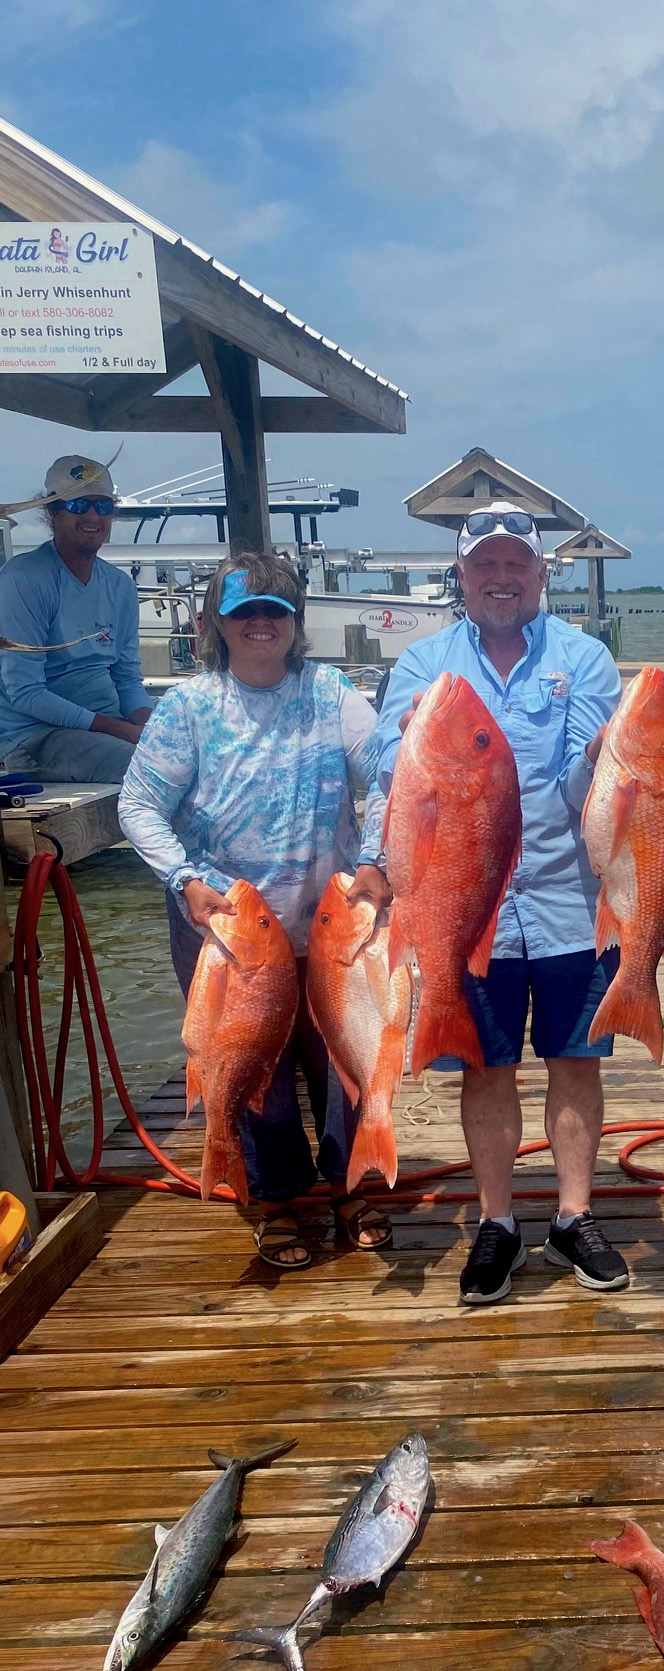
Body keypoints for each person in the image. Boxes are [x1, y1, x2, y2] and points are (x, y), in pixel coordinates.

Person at [374, 501, 625, 1307]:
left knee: (575, 1061)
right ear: (461, 575)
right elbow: (385, 771)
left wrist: (606, 755)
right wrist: (408, 743)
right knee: (485, 1067)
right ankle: (497, 1220)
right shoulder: (424, 663)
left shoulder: (584, 658)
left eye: (517, 564)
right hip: (465, 904)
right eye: (486, 564)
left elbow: (584, 790)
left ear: (541, 575)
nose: (502, 578)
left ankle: (575, 1215)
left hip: (569, 900)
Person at [119, 552, 392, 1269]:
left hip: (328, 923)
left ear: (296, 623)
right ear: (217, 623)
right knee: (247, 1063)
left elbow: (391, 777)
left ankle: (351, 1183)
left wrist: (375, 857)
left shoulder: (331, 693)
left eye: (276, 611)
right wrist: (183, 879)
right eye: (245, 612)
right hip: (226, 932)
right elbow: (139, 805)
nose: (261, 624)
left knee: (340, 1059)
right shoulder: (189, 707)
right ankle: (272, 1197)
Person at [0, 454, 153, 783]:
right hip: (37, 739)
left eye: (103, 506)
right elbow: (25, 692)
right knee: (153, 771)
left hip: (110, 730)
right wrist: (120, 730)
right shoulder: (23, 579)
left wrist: (152, 726)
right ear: (52, 511)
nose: (93, 516)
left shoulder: (121, 586)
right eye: (78, 505)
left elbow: (127, 679)